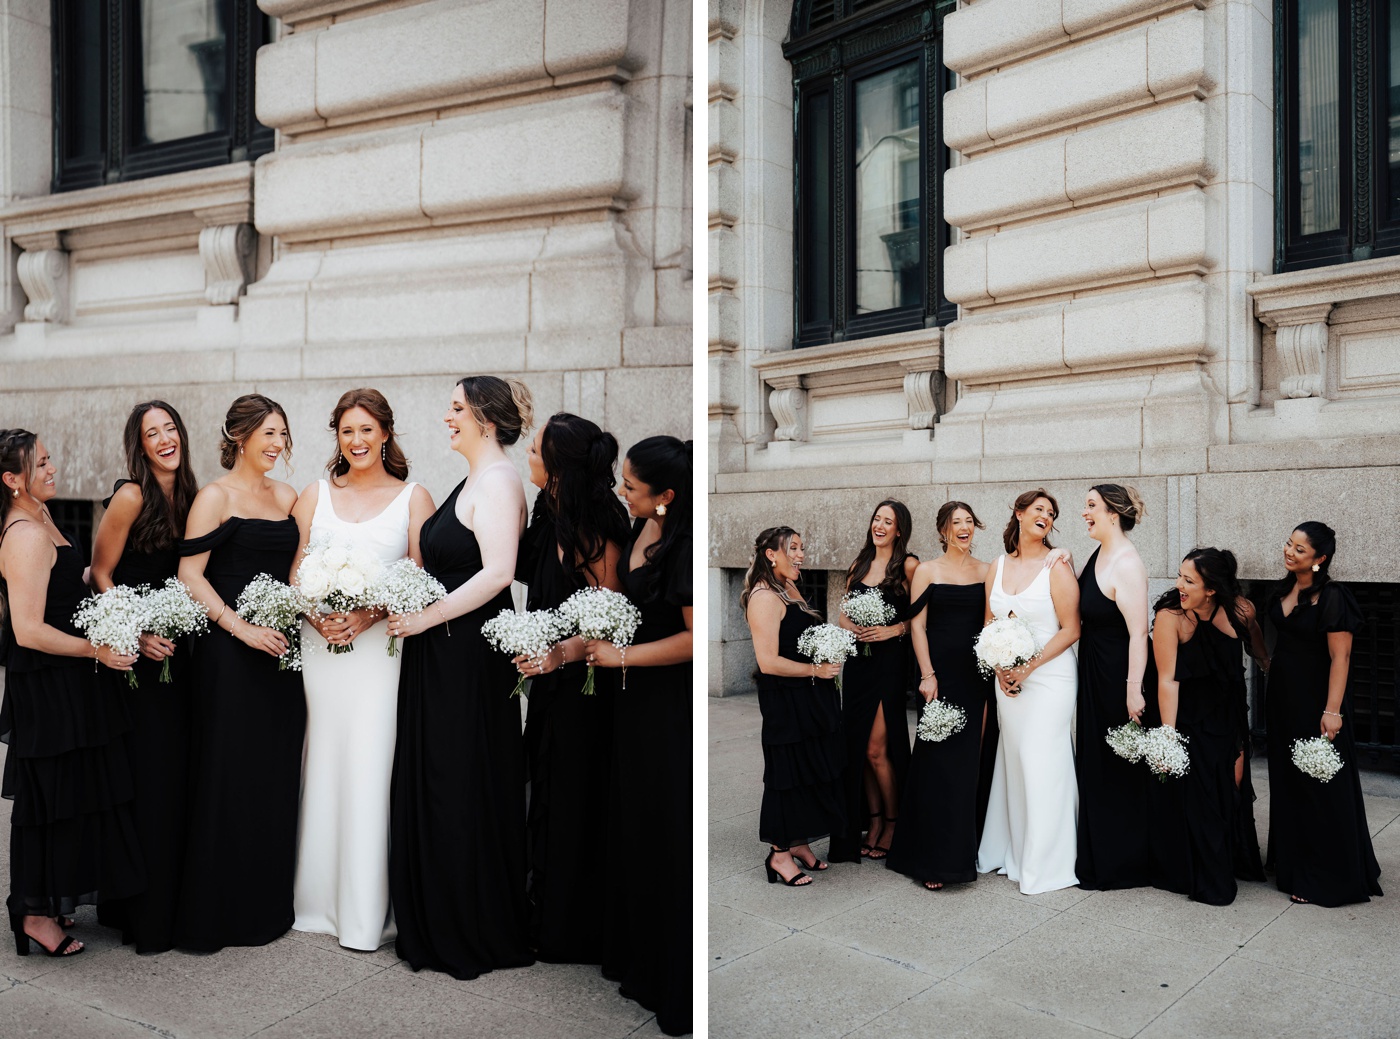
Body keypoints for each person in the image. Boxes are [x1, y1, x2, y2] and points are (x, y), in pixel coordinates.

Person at [386, 375, 534, 979]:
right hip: (441, 650)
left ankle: (466, 924)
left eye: (456, 408)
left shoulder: (498, 481)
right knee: (439, 774)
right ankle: (435, 913)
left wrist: (424, 617)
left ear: (486, 419)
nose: (447, 417)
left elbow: (498, 573)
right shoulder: (473, 478)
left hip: (466, 655)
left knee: (459, 778)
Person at [291, 389, 434, 951]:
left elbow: (419, 579)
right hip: (319, 648)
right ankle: (314, 904)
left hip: (379, 655)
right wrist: (316, 615)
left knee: (371, 765)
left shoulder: (413, 498)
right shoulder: (315, 494)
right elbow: (294, 572)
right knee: (321, 761)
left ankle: (363, 913)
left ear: (386, 433)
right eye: (347, 431)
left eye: (367, 430)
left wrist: (369, 615)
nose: (357, 441)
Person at [0, 430, 143, 957]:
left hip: (69, 677)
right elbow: (27, 630)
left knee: (70, 796)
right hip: (47, 682)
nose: (52, 468)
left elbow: (64, 584)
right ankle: (33, 913)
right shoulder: (24, 535)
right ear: (11, 480)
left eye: (49, 458)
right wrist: (95, 650)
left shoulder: (42, 514)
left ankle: (51, 899)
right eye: (39, 464)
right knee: (46, 800)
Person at [174, 394, 304, 950]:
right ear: (240, 437)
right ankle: (219, 910)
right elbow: (190, 575)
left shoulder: (288, 496)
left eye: (283, 434)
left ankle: (265, 904)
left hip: (281, 654)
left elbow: (299, 570)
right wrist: (240, 628)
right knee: (229, 774)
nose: (278, 444)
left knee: (273, 773)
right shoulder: (214, 497)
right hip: (228, 655)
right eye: (269, 434)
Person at [583, 435, 693, 1037]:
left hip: (666, 702)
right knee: (636, 825)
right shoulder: (638, 527)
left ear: (666, 496)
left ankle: (670, 972)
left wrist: (623, 655)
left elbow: (693, 641)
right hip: (631, 699)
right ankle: (638, 957)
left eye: (631, 486)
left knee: (665, 829)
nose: (622, 492)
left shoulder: (683, 545)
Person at [512, 413, 629, 963]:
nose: (528, 456)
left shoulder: (598, 526)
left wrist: (561, 653)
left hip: (587, 688)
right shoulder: (547, 512)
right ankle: (544, 912)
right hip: (549, 683)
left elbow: (612, 615)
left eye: (535, 451)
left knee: (575, 797)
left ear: (558, 467)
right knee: (546, 790)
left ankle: (574, 926)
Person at [89, 401, 199, 952]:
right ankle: (140, 912)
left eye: (169, 428)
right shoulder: (131, 496)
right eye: (151, 433)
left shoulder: (195, 496)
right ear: (140, 445)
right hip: (139, 660)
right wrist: (135, 633)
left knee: (175, 778)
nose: (164, 439)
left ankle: (170, 898)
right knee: (149, 780)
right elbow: (100, 572)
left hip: (181, 658)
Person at [1265, 522, 1383, 907]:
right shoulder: (1283, 589)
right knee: (1289, 781)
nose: (1289, 551)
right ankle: (1293, 864)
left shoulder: (1332, 596)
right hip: (1283, 699)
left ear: (1320, 559)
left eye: (1300, 549)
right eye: (1289, 543)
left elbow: (1340, 658)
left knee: (1320, 786)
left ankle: (1325, 875)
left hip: (1317, 701)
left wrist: (1332, 711)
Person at [976, 489, 1081, 895]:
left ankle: (1047, 863)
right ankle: (1015, 850)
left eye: (1051, 513)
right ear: (1018, 514)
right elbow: (989, 623)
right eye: (1039, 509)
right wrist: (1000, 668)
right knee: (1016, 759)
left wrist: (1029, 666)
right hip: (1008, 679)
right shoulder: (998, 565)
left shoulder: (1057, 565)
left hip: (1050, 678)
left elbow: (1071, 629)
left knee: (1041, 760)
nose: (1046, 516)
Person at [1151, 548, 1267, 905]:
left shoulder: (1241, 611)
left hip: (1229, 713)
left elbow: (1258, 645)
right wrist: (1168, 736)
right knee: (1202, 792)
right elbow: (1167, 679)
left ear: (1212, 589)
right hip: (1189, 717)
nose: (1179, 585)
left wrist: (1271, 668)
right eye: (1179, 576)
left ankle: (1231, 857)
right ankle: (1209, 875)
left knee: (1232, 786)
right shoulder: (1171, 616)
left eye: (1189, 580)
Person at [886, 502, 993, 890]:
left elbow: (991, 623)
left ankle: (963, 850)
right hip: (940, 677)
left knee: (969, 765)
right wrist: (927, 675)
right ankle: (931, 857)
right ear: (943, 531)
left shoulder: (987, 571)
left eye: (969, 521)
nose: (964, 527)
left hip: (976, 677)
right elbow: (917, 627)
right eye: (955, 522)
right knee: (938, 764)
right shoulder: (927, 571)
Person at [743, 526, 844, 892]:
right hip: (785, 700)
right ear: (772, 554)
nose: (801, 555)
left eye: (802, 548)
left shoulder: (788, 587)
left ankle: (798, 842)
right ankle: (779, 854)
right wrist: (816, 670)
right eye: (794, 548)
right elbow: (768, 661)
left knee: (806, 769)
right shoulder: (764, 597)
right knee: (785, 774)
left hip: (808, 698)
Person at [1072, 484, 1153, 891]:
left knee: (1117, 767)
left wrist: (1133, 690)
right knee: (1096, 763)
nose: (1084, 512)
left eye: (1091, 506)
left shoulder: (1127, 563)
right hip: (1094, 671)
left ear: (1113, 513)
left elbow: (1139, 634)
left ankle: (1122, 861)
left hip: (1117, 676)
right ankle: (1097, 854)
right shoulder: (1098, 553)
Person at [830, 500, 917, 863]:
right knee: (859, 749)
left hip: (889, 665)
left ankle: (895, 823)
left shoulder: (908, 565)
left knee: (877, 750)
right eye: (877, 519)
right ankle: (875, 821)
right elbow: (842, 612)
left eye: (888, 521)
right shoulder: (859, 564)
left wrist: (893, 630)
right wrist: (851, 626)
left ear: (899, 530)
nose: (880, 525)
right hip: (858, 664)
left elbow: (921, 617)